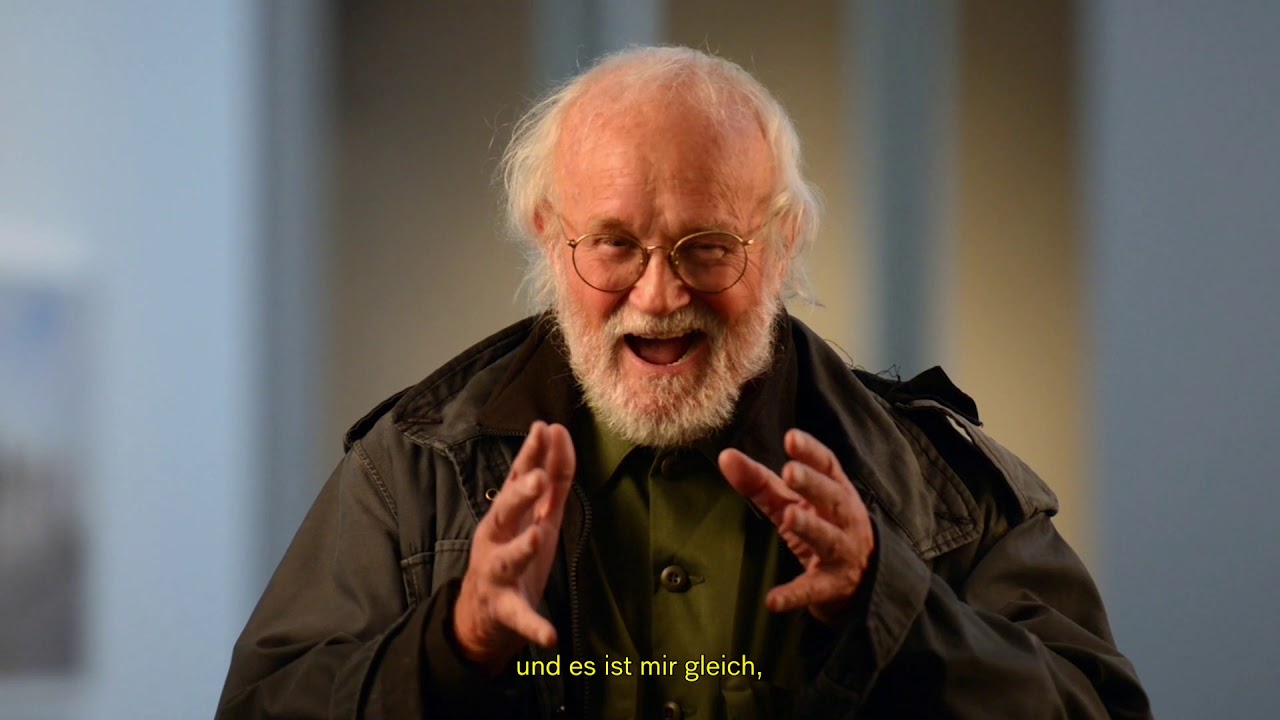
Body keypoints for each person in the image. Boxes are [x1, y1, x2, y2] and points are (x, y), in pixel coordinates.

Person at [217, 46, 1150, 719]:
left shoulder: (942, 488)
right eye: (615, 245)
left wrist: (888, 603)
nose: (659, 296)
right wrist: (451, 645)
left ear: (782, 246)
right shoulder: (411, 474)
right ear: (551, 237)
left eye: (707, 248)